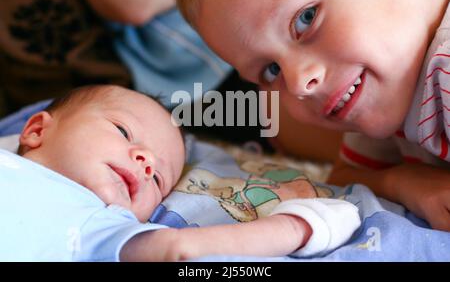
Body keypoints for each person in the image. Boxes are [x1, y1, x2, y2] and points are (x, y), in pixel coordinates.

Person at [169, 0, 450, 231]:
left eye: (307, 18)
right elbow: (344, 176)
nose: (299, 83)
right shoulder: (384, 87)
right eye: (271, 70)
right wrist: (404, 182)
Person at [0, 84, 360, 261]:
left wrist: (300, 226)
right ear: (35, 131)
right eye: (123, 132)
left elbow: (184, 250)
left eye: (158, 180)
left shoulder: (98, 225)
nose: (146, 162)